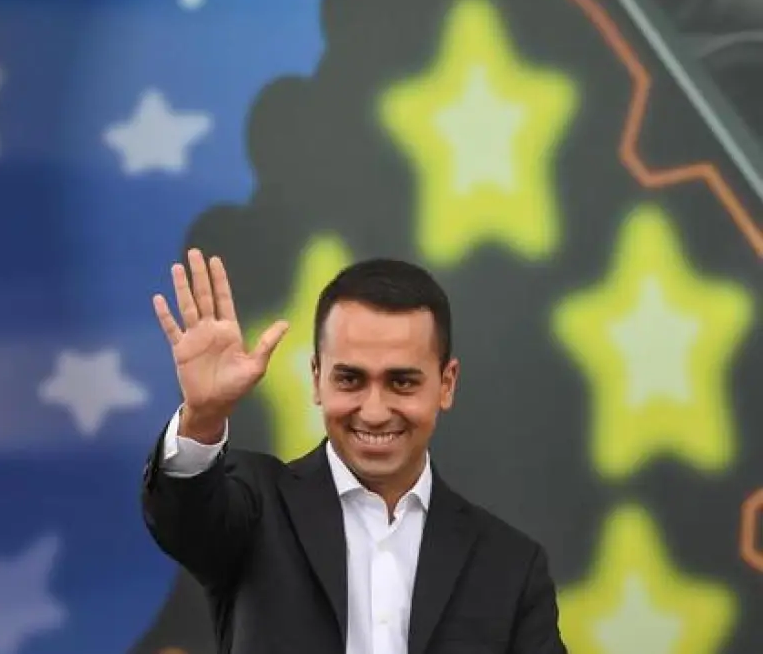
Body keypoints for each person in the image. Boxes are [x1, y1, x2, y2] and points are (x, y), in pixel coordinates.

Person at [140, 248, 568, 654]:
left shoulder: (510, 566)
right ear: (316, 378)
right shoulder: (256, 508)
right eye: (350, 380)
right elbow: (184, 520)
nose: (375, 411)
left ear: (447, 383)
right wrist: (204, 416)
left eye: (402, 382)